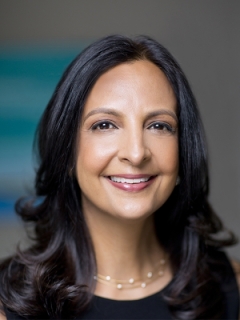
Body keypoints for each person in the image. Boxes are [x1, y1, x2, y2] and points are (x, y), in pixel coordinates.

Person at [0, 35, 239, 319]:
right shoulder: (6, 304)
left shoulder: (231, 288)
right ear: (67, 150)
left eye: (159, 126)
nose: (136, 153)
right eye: (105, 124)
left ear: (183, 150)